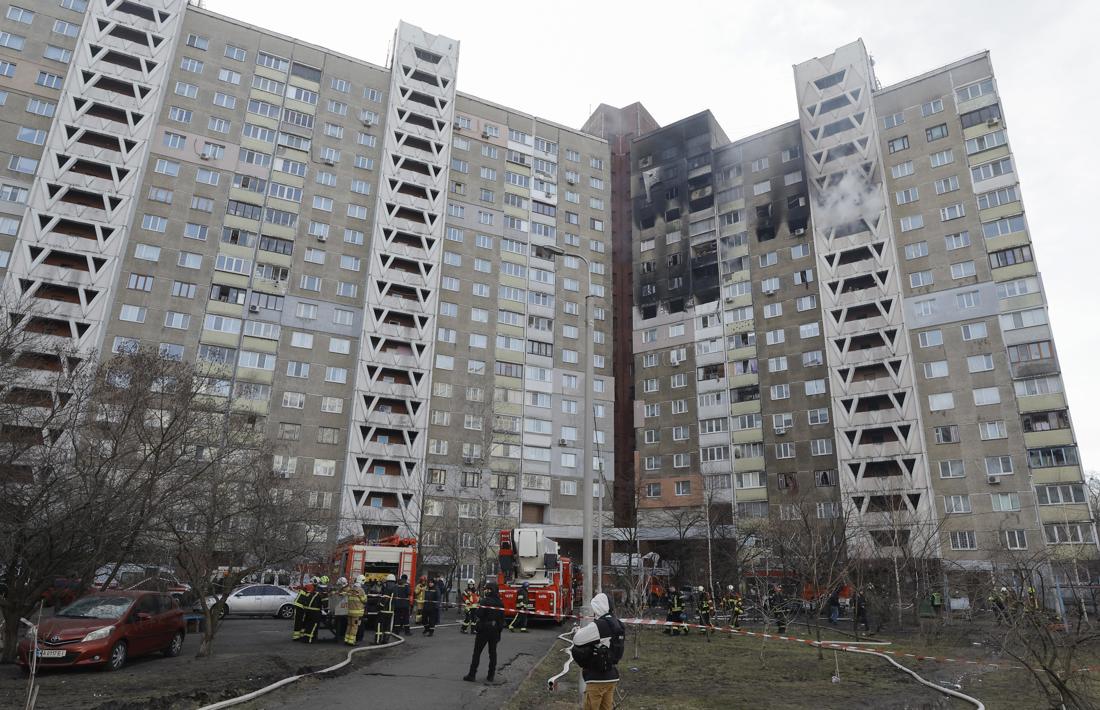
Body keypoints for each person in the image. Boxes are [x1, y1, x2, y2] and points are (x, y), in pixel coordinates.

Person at [571, 592, 625, 710]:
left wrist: (578, 631)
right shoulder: (618, 623)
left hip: (597, 678)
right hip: (612, 676)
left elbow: (577, 640)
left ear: (598, 607)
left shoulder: (600, 625)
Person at [464, 581, 504, 683]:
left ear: (490, 590)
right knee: (493, 653)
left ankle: (472, 675)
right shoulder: (500, 602)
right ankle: (491, 676)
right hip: (495, 630)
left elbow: (479, 614)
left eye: (487, 589)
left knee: (477, 652)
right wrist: (499, 632)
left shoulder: (485, 601)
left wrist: (478, 609)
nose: (486, 591)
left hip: (484, 629)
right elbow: (501, 620)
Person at [300, 577, 323, 643]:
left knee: (307, 624)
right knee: (314, 625)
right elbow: (324, 602)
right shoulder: (316, 589)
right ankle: (309, 639)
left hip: (307, 609)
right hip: (314, 610)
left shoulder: (310, 587)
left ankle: (304, 637)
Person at [343, 580, 366, 646]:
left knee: (349, 625)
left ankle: (346, 640)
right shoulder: (361, 590)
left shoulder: (350, 590)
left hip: (350, 612)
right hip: (356, 613)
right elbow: (364, 600)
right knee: (354, 627)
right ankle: (351, 641)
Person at [378, 575, 396, 642]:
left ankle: (378, 640)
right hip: (391, 610)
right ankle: (386, 640)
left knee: (380, 625)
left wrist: (380, 605)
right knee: (388, 626)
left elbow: (384, 598)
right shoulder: (395, 587)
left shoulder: (386, 587)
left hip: (384, 610)